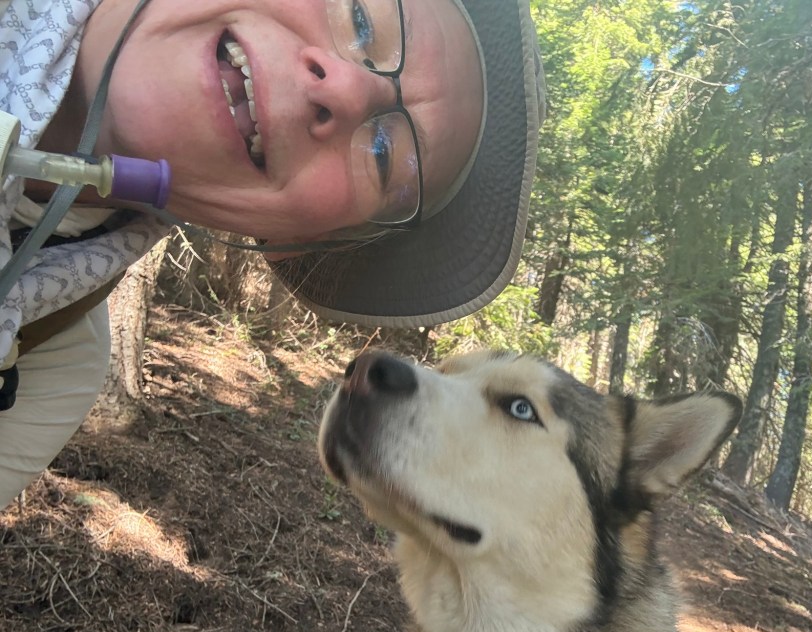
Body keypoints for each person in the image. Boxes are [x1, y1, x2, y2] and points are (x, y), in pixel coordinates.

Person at [0, 0, 546, 508]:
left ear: (295, 242)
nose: (346, 89)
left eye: (383, 156)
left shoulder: (48, 365)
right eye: (361, 18)